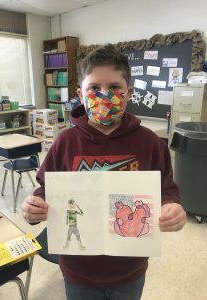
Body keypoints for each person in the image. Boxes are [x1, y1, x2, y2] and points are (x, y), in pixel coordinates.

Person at [22, 44, 186, 300]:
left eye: (114, 88)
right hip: (78, 269)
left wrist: (172, 208)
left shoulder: (151, 143)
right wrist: (35, 206)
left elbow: (167, 190)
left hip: (129, 269)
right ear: (80, 93)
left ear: (129, 92)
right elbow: (45, 189)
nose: (104, 95)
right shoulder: (65, 142)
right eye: (94, 88)